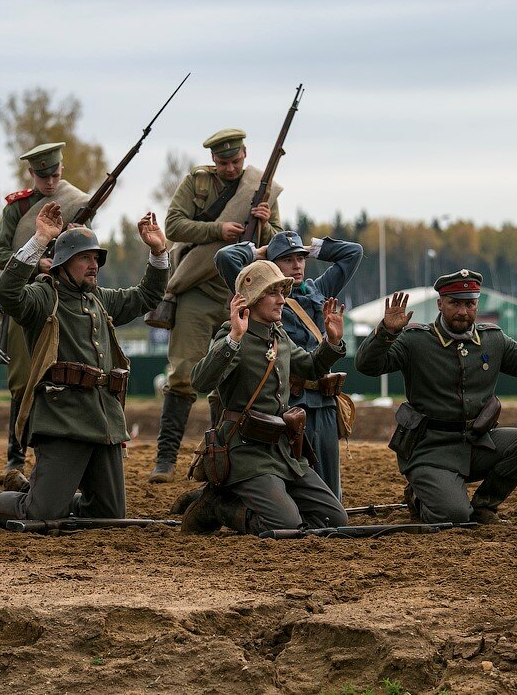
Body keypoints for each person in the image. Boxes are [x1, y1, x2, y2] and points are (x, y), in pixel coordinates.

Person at [0, 203, 168, 525]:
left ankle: (35, 488)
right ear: (63, 263)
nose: (94, 265)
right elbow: (7, 293)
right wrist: (38, 241)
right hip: (63, 418)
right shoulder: (42, 297)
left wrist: (159, 251)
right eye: (85, 258)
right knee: (38, 514)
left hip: (103, 419)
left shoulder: (99, 300)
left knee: (108, 515)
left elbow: (148, 295)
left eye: (96, 259)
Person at [355, 272, 517, 524]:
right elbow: (367, 366)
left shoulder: (492, 339)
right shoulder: (416, 341)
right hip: (430, 450)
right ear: (440, 304)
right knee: (454, 516)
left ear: (477, 305)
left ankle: (484, 506)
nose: (463, 311)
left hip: (476, 443)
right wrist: (386, 333)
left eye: (469, 304)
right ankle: (418, 495)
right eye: (454, 303)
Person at [148, 128, 282, 483]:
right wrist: (217, 230)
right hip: (195, 287)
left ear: (245, 154)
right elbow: (174, 225)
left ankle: (222, 452)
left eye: (236, 161)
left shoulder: (261, 187)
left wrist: (265, 225)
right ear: (213, 160)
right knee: (182, 374)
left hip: (241, 292)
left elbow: (279, 243)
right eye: (224, 163)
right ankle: (165, 459)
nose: (231, 168)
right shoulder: (197, 184)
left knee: (233, 373)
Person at [179, 260, 348, 534]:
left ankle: (251, 500)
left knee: (335, 520)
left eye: (283, 293)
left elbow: (311, 367)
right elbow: (200, 381)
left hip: (283, 450)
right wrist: (234, 336)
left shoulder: (278, 335)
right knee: (286, 526)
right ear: (254, 298)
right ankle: (218, 507)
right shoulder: (233, 336)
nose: (282, 300)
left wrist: (331, 343)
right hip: (246, 452)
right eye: (273, 293)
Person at [213, 231, 363, 498]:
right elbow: (225, 257)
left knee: (329, 483)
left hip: (324, 398)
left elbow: (353, 252)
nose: (297, 265)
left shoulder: (318, 290)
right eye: (288, 259)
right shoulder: (262, 296)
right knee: (292, 471)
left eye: (301, 259)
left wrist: (309, 248)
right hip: (289, 398)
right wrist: (262, 253)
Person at [0, 142, 89, 486]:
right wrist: (37, 260)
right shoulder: (17, 208)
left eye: (55, 174)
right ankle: (14, 459)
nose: (50, 181)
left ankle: (55, 456)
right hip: (29, 300)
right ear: (32, 174)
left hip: (64, 303)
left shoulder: (76, 203)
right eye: (43, 175)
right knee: (21, 382)